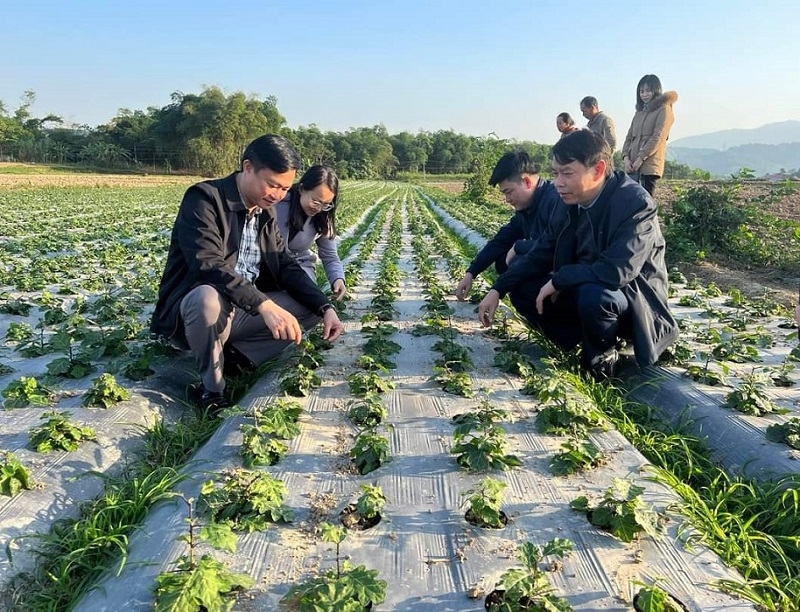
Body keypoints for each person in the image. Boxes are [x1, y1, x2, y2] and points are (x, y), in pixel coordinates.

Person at [150, 134, 344, 414]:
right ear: (248, 167)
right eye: (272, 185)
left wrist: (325, 307)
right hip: (198, 312)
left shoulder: (264, 214)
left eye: (284, 188)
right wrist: (264, 304)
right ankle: (212, 392)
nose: (277, 195)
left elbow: (286, 265)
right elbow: (208, 264)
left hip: (240, 310)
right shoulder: (205, 199)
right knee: (206, 299)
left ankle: (234, 359)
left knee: (310, 307)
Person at [477, 130, 677, 380]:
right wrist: (498, 289)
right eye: (555, 173)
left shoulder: (635, 203)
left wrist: (560, 279)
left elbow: (617, 272)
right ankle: (579, 341)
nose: (558, 182)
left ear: (598, 169)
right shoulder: (568, 203)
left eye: (567, 173)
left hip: (633, 302)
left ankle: (603, 358)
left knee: (595, 295)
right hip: (586, 287)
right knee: (523, 288)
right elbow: (541, 251)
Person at [456, 150, 561, 302]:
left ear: (526, 182)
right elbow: (501, 240)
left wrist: (519, 247)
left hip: (564, 274)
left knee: (520, 281)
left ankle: (549, 316)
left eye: (508, 192)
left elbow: (553, 248)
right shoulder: (526, 209)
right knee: (503, 260)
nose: (507, 199)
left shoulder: (555, 200)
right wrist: (471, 273)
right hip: (543, 264)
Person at [274, 165, 347, 301]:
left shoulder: (323, 217)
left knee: (308, 303)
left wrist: (337, 279)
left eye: (326, 204)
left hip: (300, 267)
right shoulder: (276, 206)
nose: (319, 208)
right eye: (316, 201)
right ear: (302, 189)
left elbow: (330, 255)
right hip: (268, 269)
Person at [621, 74, 678, 196]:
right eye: (641, 91)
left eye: (648, 91)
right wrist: (625, 158)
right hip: (632, 164)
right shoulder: (639, 112)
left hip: (649, 165)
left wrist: (641, 158)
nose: (644, 94)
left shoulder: (664, 109)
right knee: (631, 200)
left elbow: (658, 137)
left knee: (647, 200)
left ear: (656, 90)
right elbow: (629, 137)